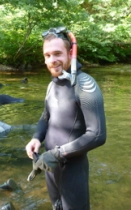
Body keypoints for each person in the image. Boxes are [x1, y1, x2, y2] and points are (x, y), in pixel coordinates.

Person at [25, 27, 106, 210]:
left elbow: (97, 135)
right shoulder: (52, 85)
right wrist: (36, 138)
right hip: (50, 167)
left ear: (71, 53)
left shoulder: (85, 85)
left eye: (57, 54)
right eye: (47, 55)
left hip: (72, 171)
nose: (52, 61)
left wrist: (57, 153)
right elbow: (46, 116)